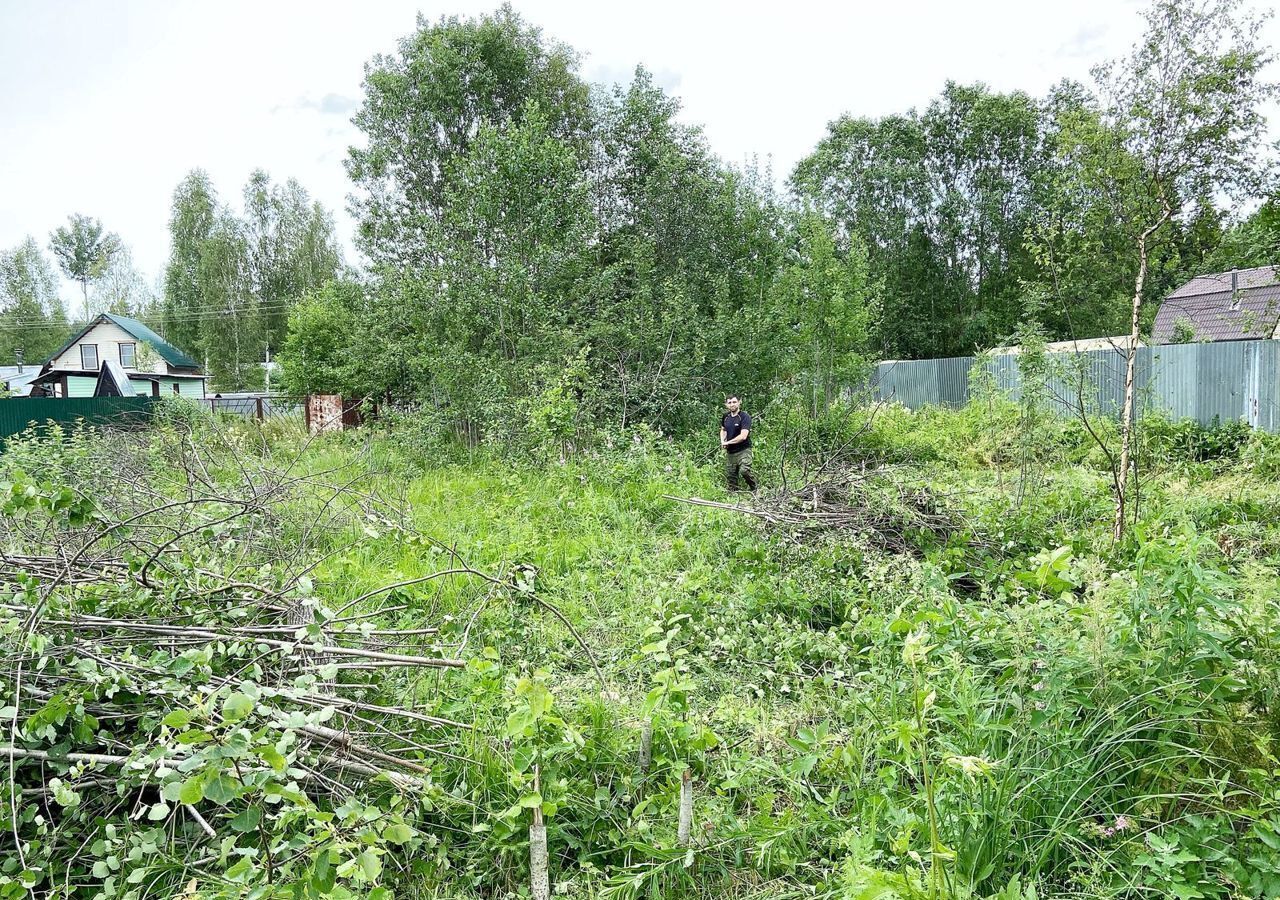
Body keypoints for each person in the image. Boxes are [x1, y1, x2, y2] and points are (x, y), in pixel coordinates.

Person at [720, 395, 758, 492]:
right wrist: (723, 441)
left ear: (739, 402)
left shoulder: (745, 417)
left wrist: (728, 442)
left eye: (734, 402)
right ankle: (734, 497)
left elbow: (743, 436)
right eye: (729, 403)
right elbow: (723, 429)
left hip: (743, 450)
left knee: (744, 470)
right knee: (731, 478)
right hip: (730, 452)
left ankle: (754, 488)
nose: (732, 404)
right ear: (726, 405)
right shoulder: (726, 417)